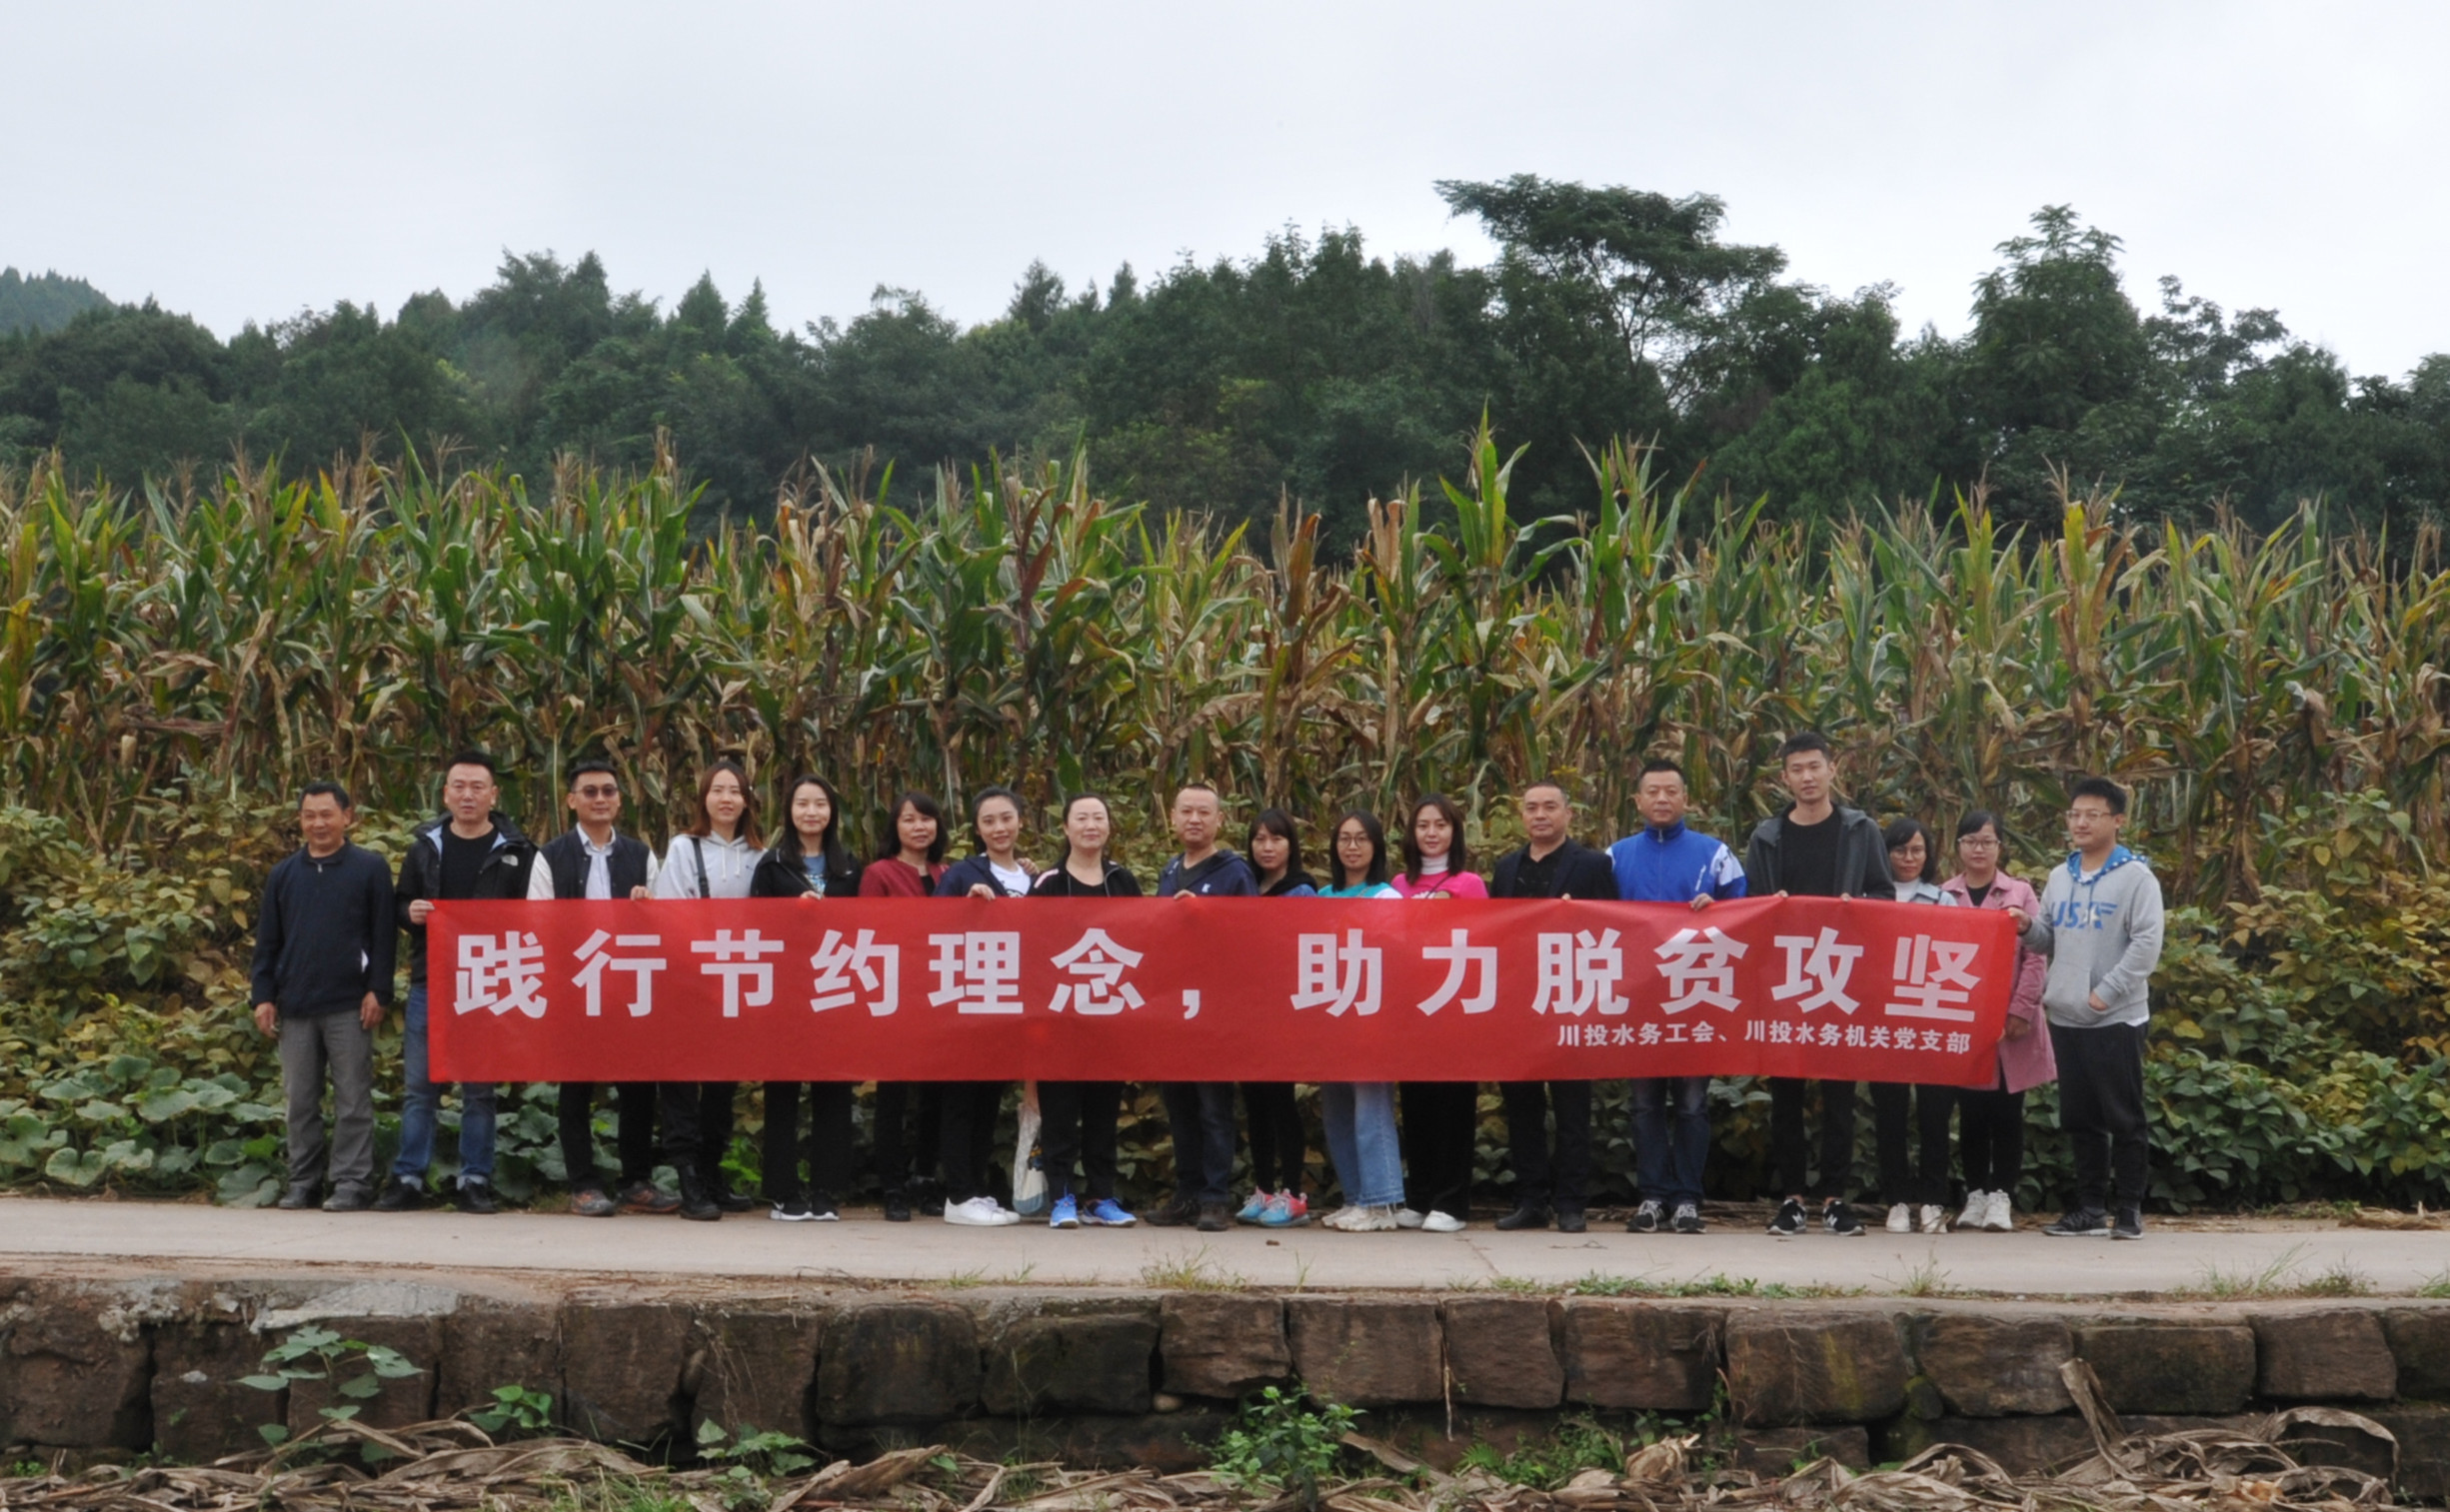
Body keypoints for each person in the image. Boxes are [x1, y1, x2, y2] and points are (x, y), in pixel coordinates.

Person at [1741, 733, 1895, 1238]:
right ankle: (1791, 1199)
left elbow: (1884, 894)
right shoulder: (1767, 836)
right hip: (1784, 977)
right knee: (1785, 1093)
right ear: (1784, 778)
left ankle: (1834, 1199)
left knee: (1839, 1093)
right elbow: (1752, 904)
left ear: (1832, 769)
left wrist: (1858, 907)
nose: (1807, 777)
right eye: (1797, 769)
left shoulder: (1860, 830)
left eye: (1815, 766)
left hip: (1839, 974)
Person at [384, 752, 537, 1214]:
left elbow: (535, 916)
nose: (467, 795)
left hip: (488, 981)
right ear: (446, 793)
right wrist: (409, 913)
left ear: (494, 795)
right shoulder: (425, 847)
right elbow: (402, 903)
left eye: (477, 787)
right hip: (431, 980)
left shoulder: (518, 852)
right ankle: (408, 1178)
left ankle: (475, 1179)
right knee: (420, 1087)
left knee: (479, 1089)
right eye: (459, 786)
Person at [2021, 777, 2165, 1241]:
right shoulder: (2061, 876)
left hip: (2114, 1016)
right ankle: (2088, 1208)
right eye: (2074, 815)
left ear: (2117, 821)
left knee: (2123, 1116)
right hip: (2066, 1014)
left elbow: (2146, 943)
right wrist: (2025, 927)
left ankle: (2129, 1209)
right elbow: (2048, 938)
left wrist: (2107, 991)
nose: (2080, 823)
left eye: (2092, 815)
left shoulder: (2136, 877)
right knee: (2079, 1118)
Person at [1606, 758, 1746, 1235]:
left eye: (1671, 791)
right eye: (1653, 791)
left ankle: (1687, 1198)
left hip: (1696, 995)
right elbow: (1593, 916)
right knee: (1644, 1103)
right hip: (1637, 997)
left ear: (1686, 798)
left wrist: (1718, 909)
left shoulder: (1717, 854)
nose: (1662, 799)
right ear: (1637, 801)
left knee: (1691, 1103)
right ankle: (1651, 1196)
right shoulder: (1615, 857)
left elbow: (1746, 912)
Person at [527, 759, 672, 1218]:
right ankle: (583, 1184)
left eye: (608, 791)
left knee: (638, 1087)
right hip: (575, 984)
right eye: (589, 792)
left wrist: (647, 906)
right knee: (576, 1086)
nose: (600, 799)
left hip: (630, 983)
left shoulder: (641, 855)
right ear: (572, 800)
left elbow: (664, 921)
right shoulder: (550, 856)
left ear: (619, 800)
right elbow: (537, 920)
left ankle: (636, 1181)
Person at [252, 781, 396, 1213]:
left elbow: (384, 936)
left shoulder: (369, 868)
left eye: (327, 814)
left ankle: (352, 1183)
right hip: (295, 1004)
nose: (318, 823)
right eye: (309, 815)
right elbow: (268, 941)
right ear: (300, 820)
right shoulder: (283, 874)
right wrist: (263, 995)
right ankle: (304, 1182)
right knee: (299, 1101)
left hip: (350, 1003)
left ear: (347, 817)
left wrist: (379, 990)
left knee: (353, 1098)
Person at [1488, 779, 1618, 1234]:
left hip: (1571, 1000)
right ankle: (1531, 1201)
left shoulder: (1593, 865)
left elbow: (1613, 928)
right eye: (1531, 808)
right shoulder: (1506, 868)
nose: (1540, 815)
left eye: (1549, 807)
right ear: (1521, 816)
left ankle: (1571, 1203)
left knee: (1572, 1109)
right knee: (1522, 1109)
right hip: (1518, 1003)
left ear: (1568, 813)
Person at [649, 758, 763, 1221]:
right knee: (680, 1081)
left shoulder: (760, 855)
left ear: (747, 800)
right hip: (687, 983)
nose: (726, 799)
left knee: (722, 1084)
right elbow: (671, 915)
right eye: (718, 790)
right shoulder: (684, 848)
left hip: (735, 984)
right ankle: (688, 1177)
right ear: (704, 798)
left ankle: (713, 1172)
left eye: (735, 791)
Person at [749, 774, 862, 1221]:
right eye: (802, 804)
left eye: (820, 804)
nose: (811, 812)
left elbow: (869, 926)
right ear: (789, 811)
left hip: (835, 990)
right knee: (783, 1093)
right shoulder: (772, 866)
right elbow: (755, 927)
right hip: (787, 994)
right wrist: (792, 915)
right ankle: (783, 1192)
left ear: (832, 812)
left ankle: (826, 1191)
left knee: (833, 1093)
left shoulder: (850, 867)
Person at [1029, 792, 1143, 1229]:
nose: (1090, 825)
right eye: (1081, 818)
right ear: (1066, 828)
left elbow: (1144, 939)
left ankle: (1101, 1196)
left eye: (1098, 817)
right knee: (1059, 1113)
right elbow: (1031, 946)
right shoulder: (1049, 882)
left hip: (1109, 1015)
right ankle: (1061, 1198)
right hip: (1059, 1015)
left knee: (1103, 1114)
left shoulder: (1122, 880)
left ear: (1109, 827)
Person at [1151, 782, 1257, 1233]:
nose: (1194, 820)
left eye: (1203, 812)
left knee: (1214, 1107)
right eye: (1186, 812)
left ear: (1219, 820)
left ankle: (1215, 1198)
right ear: (1173, 818)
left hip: (1214, 1010)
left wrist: (1207, 915)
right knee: (1179, 1107)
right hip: (1172, 1009)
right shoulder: (1170, 870)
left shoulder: (1234, 873)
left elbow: (1252, 935)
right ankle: (1187, 1194)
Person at [1939, 810, 2053, 1234]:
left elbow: (2036, 954)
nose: (1979, 849)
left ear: (2000, 847)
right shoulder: (1944, 895)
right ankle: (1975, 1194)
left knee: (2007, 1111)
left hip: (2010, 1019)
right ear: (1958, 847)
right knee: (1970, 1113)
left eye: (1987, 841)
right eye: (1970, 841)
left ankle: (2001, 1194)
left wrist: (2021, 1010)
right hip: (1963, 1019)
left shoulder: (2019, 892)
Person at [931, 786, 1033, 1227]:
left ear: (1020, 821)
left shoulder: (1034, 879)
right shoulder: (962, 874)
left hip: (1010, 1007)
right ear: (977, 829)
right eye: (989, 821)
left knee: (988, 1100)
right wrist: (964, 907)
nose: (999, 828)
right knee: (961, 1099)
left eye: (1006, 818)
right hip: (967, 1006)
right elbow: (931, 928)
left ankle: (975, 1190)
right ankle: (957, 1194)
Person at [1392, 793, 1486, 1233]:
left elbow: (1485, 939)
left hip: (1456, 1007)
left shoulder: (1469, 883)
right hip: (1411, 1009)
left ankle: (1452, 1202)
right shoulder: (1398, 885)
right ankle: (1421, 1196)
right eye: (1423, 825)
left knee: (1454, 1106)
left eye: (1441, 825)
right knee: (1417, 1105)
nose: (1431, 833)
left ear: (1455, 831)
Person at [1314, 810, 1406, 1232]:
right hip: (1330, 1014)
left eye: (1361, 839)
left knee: (1371, 1108)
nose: (1352, 847)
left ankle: (1382, 1202)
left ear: (1376, 846)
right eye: (1344, 838)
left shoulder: (1387, 897)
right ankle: (1355, 1197)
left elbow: (1396, 956)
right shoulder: (1322, 896)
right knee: (1336, 1109)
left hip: (1371, 1015)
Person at [860, 791, 951, 1221]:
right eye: (909, 819)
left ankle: (926, 1179)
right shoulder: (879, 874)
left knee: (935, 1097)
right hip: (895, 998)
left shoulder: (949, 873)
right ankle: (893, 1186)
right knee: (893, 1097)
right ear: (894, 827)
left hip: (941, 999)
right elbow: (868, 932)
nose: (919, 827)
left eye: (926, 819)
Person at [1872, 818, 1959, 1236]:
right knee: (1889, 1114)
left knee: (1935, 1114)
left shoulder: (1944, 900)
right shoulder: (1870, 898)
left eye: (1917, 850)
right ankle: (1896, 1200)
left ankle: (1932, 1199)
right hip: (1882, 1022)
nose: (1909, 858)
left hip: (1931, 1018)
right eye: (1899, 850)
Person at [1238, 808, 1315, 1228]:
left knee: (1281, 1099)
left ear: (1291, 845)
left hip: (1284, 1010)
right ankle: (1264, 1188)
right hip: (1249, 1009)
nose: (1267, 847)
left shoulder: (1301, 890)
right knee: (1255, 1102)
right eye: (1259, 839)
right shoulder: (1245, 887)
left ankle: (1292, 1192)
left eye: (1277, 839)